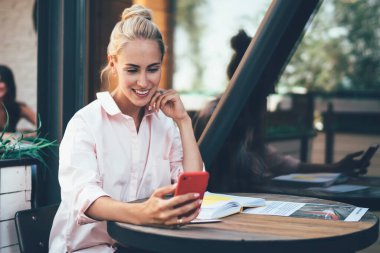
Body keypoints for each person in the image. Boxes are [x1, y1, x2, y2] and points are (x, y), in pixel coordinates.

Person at [49, 5, 203, 253]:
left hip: (143, 247)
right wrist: (143, 213)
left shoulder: (166, 124)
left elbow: (192, 191)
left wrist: (183, 121)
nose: (144, 82)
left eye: (153, 69)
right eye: (132, 70)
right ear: (113, 63)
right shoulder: (85, 122)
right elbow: (85, 198)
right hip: (88, 249)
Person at [193, 29, 368, 192]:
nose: (273, 91)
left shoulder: (244, 118)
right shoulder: (216, 118)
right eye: (270, 84)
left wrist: (334, 168)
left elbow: (277, 162)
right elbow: (246, 171)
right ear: (252, 83)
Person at [0, 65, 37, 133]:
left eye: (1, 81)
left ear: (8, 84)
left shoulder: (17, 107)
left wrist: (27, 133)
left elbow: (43, 125)